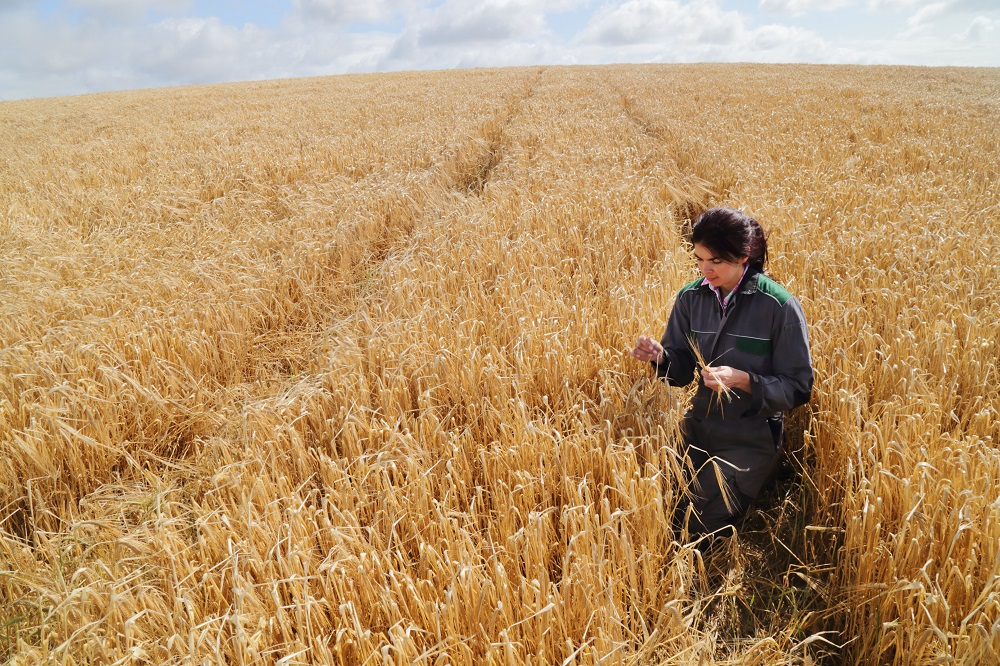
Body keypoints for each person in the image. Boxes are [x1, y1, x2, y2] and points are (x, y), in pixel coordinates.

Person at [631, 207, 813, 541]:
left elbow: (798, 388)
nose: (705, 270)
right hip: (699, 425)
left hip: (752, 436)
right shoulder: (690, 298)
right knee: (651, 499)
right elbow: (682, 371)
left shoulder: (780, 307)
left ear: (744, 256)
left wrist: (743, 378)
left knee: (696, 527)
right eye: (699, 259)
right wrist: (662, 358)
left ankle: (758, 477)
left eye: (715, 261)